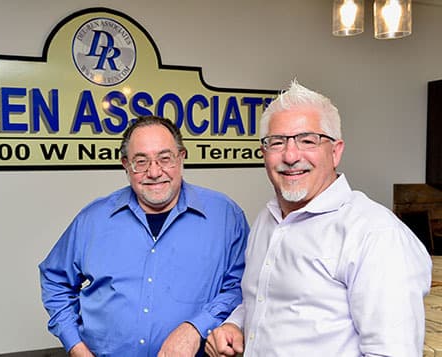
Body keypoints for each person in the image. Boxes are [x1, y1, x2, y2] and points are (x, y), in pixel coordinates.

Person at [205, 81, 432, 357]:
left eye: (308, 140)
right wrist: (235, 324)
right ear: (264, 153)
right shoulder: (268, 219)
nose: (290, 156)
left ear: (335, 151)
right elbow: (263, 300)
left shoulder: (376, 234)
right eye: (277, 142)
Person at [39, 115, 249, 357]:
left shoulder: (225, 216)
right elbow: (55, 280)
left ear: (181, 158)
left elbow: (242, 287)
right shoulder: (92, 220)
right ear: (126, 165)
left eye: (164, 158)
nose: (154, 172)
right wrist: (75, 346)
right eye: (141, 161)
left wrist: (196, 327)